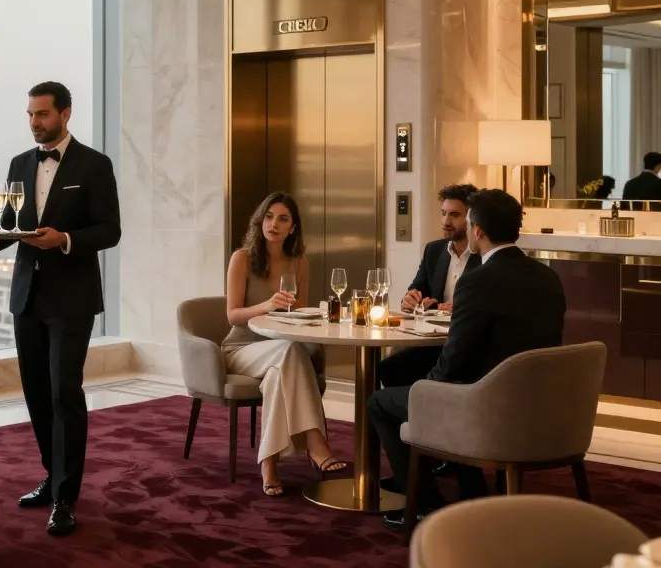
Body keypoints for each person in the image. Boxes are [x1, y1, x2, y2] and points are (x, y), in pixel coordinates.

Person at [368, 189, 566, 530]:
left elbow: (452, 366)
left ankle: (426, 504)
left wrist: (424, 392)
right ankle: (469, 486)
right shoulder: (548, 276)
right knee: (405, 374)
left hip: (488, 407)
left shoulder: (479, 280)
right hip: (539, 404)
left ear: (477, 231)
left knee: (379, 402)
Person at [0, 81, 120, 537]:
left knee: (64, 395)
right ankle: (51, 475)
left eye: (43, 114)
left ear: (65, 114)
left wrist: (68, 240)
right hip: (28, 297)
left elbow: (110, 230)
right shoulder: (20, 163)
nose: (35, 122)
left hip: (72, 299)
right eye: (31, 115)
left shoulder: (95, 164)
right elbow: (14, 224)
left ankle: (66, 497)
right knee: (37, 395)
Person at [222, 192, 349, 497]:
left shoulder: (298, 263)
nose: (274, 224)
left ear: (293, 228)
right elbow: (232, 315)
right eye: (268, 217)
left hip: (282, 351)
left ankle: (269, 464)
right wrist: (266, 306)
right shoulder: (241, 258)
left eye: (282, 219)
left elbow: (299, 314)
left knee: (280, 375)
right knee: (290, 354)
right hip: (242, 349)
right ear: (259, 221)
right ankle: (316, 444)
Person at [387, 184, 482, 389]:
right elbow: (416, 292)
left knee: (395, 366)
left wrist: (435, 307)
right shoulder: (434, 250)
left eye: (455, 215)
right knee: (388, 367)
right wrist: (410, 300)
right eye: (443, 213)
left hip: (463, 347)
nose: (446, 222)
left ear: (471, 219)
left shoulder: (484, 256)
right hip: (431, 341)